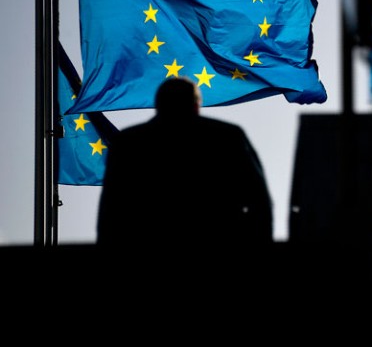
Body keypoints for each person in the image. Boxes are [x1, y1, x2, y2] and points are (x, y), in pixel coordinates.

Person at [96, 76, 273, 249]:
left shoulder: (129, 143)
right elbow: (259, 198)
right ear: (196, 105)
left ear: (158, 106)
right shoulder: (227, 136)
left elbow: (111, 208)